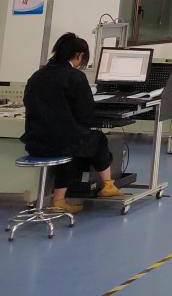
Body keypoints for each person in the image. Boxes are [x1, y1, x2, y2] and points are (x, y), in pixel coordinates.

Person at [21, 33, 123, 213]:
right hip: (62, 144)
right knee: (97, 138)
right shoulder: (75, 77)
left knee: (69, 142)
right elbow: (86, 114)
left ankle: (59, 199)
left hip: (35, 142)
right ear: (79, 55)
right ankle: (108, 185)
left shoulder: (36, 76)